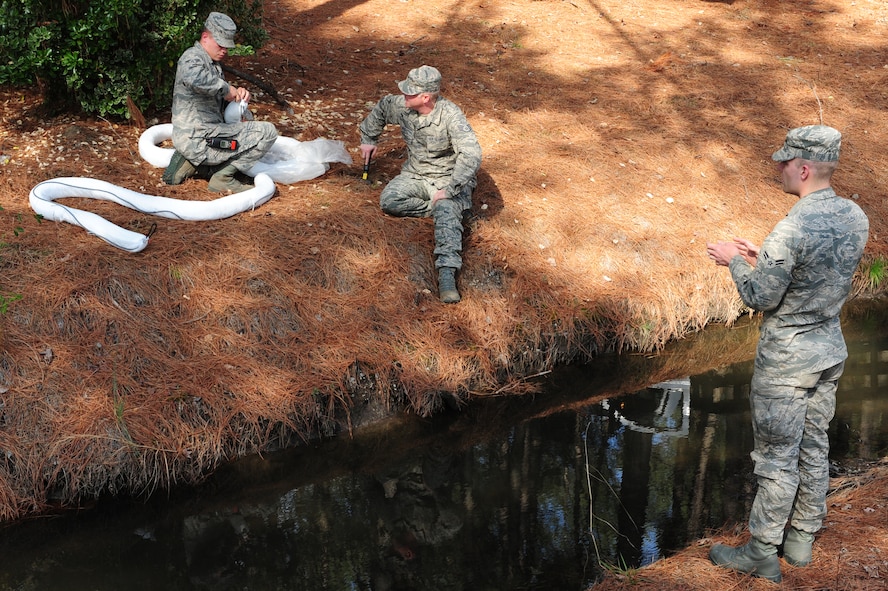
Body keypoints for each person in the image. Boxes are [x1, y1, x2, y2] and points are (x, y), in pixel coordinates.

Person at [705, 125, 869, 583]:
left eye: (784, 162)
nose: (778, 168)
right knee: (814, 446)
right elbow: (822, 270)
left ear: (803, 168)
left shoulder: (792, 226)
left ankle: (760, 553)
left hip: (787, 363)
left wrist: (733, 260)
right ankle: (800, 540)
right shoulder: (854, 215)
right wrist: (766, 254)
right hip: (829, 353)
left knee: (777, 457)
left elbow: (760, 297)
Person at [359, 65, 482, 303]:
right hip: (415, 175)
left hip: (447, 178)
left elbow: (472, 154)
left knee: (447, 207)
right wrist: (368, 139)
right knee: (390, 200)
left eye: (410, 92)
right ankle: (447, 212)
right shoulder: (403, 106)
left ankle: (447, 274)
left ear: (425, 97)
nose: (404, 95)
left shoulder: (450, 116)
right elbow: (383, 107)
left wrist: (450, 190)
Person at [163, 12, 278, 194]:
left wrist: (240, 108)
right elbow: (197, 79)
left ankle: (198, 166)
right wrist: (227, 89)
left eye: (227, 46)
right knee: (268, 132)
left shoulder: (212, 65)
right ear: (205, 37)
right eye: (220, 45)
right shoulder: (191, 57)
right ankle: (222, 177)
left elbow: (220, 102)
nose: (225, 50)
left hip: (207, 133)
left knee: (255, 130)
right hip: (198, 137)